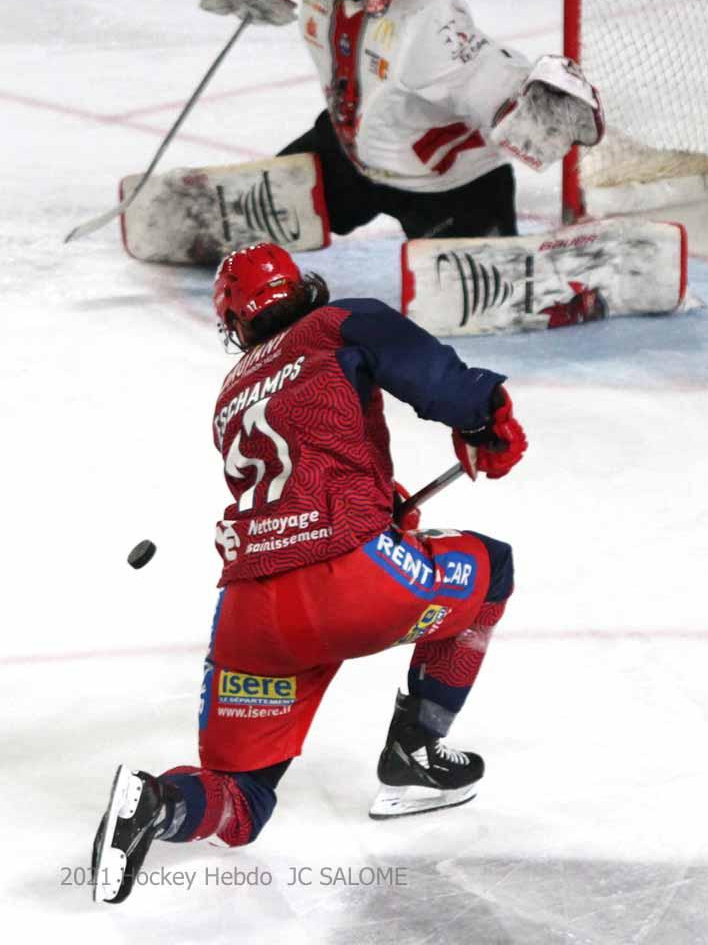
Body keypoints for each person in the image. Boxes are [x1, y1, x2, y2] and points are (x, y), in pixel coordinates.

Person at [90, 241, 527, 905]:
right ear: (301, 288)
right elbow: (434, 378)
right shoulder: (335, 324)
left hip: (250, 614)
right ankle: (415, 754)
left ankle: (155, 803)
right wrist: (487, 417)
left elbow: (302, 476)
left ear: (235, 322)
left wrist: (380, 508)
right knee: (492, 566)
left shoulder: (231, 394)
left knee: (243, 796)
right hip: (354, 581)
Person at [199, 0, 603, 242]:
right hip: (352, 156)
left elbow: (486, 74)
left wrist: (541, 106)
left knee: (482, 291)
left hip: (446, 187)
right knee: (253, 212)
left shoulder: (433, 19)